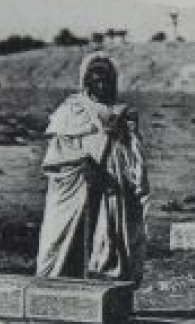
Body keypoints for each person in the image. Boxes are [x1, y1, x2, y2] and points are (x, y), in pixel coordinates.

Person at [35, 53, 149, 281]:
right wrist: (83, 164)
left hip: (113, 185)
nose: (102, 85)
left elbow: (132, 155)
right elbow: (57, 152)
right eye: (96, 80)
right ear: (86, 82)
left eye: (106, 80)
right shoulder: (72, 110)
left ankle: (107, 288)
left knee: (109, 236)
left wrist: (132, 135)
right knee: (63, 239)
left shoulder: (122, 114)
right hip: (78, 185)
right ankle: (56, 288)